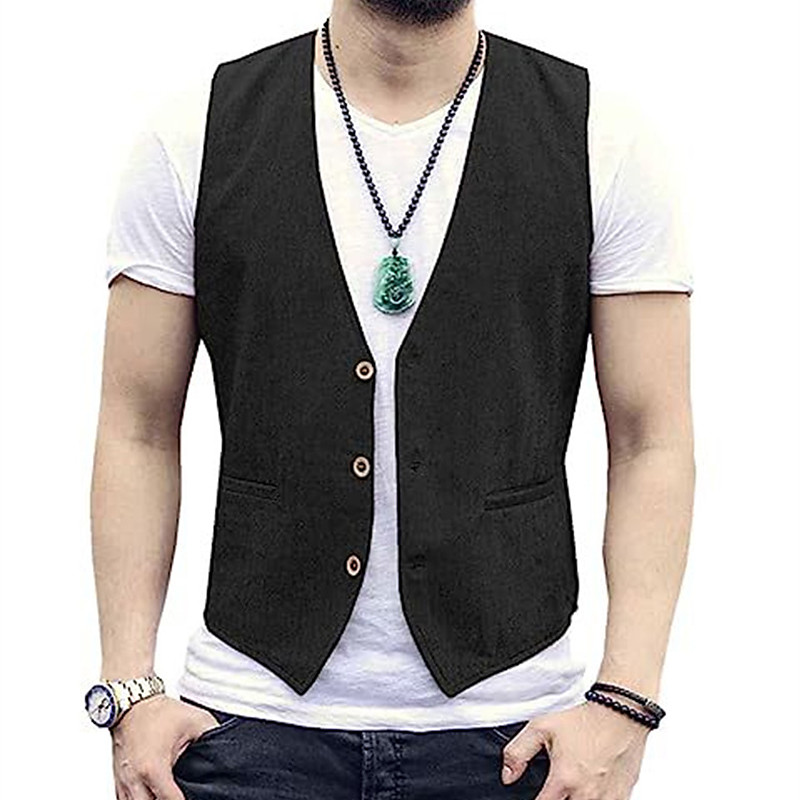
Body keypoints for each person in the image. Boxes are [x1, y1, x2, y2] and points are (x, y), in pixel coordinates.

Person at [87, 0, 695, 798]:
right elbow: (136, 426)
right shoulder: (194, 133)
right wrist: (129, 690)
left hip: (517, 739)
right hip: (247, 727)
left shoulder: (601, 137)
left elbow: (652, 440)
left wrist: (625, 702)